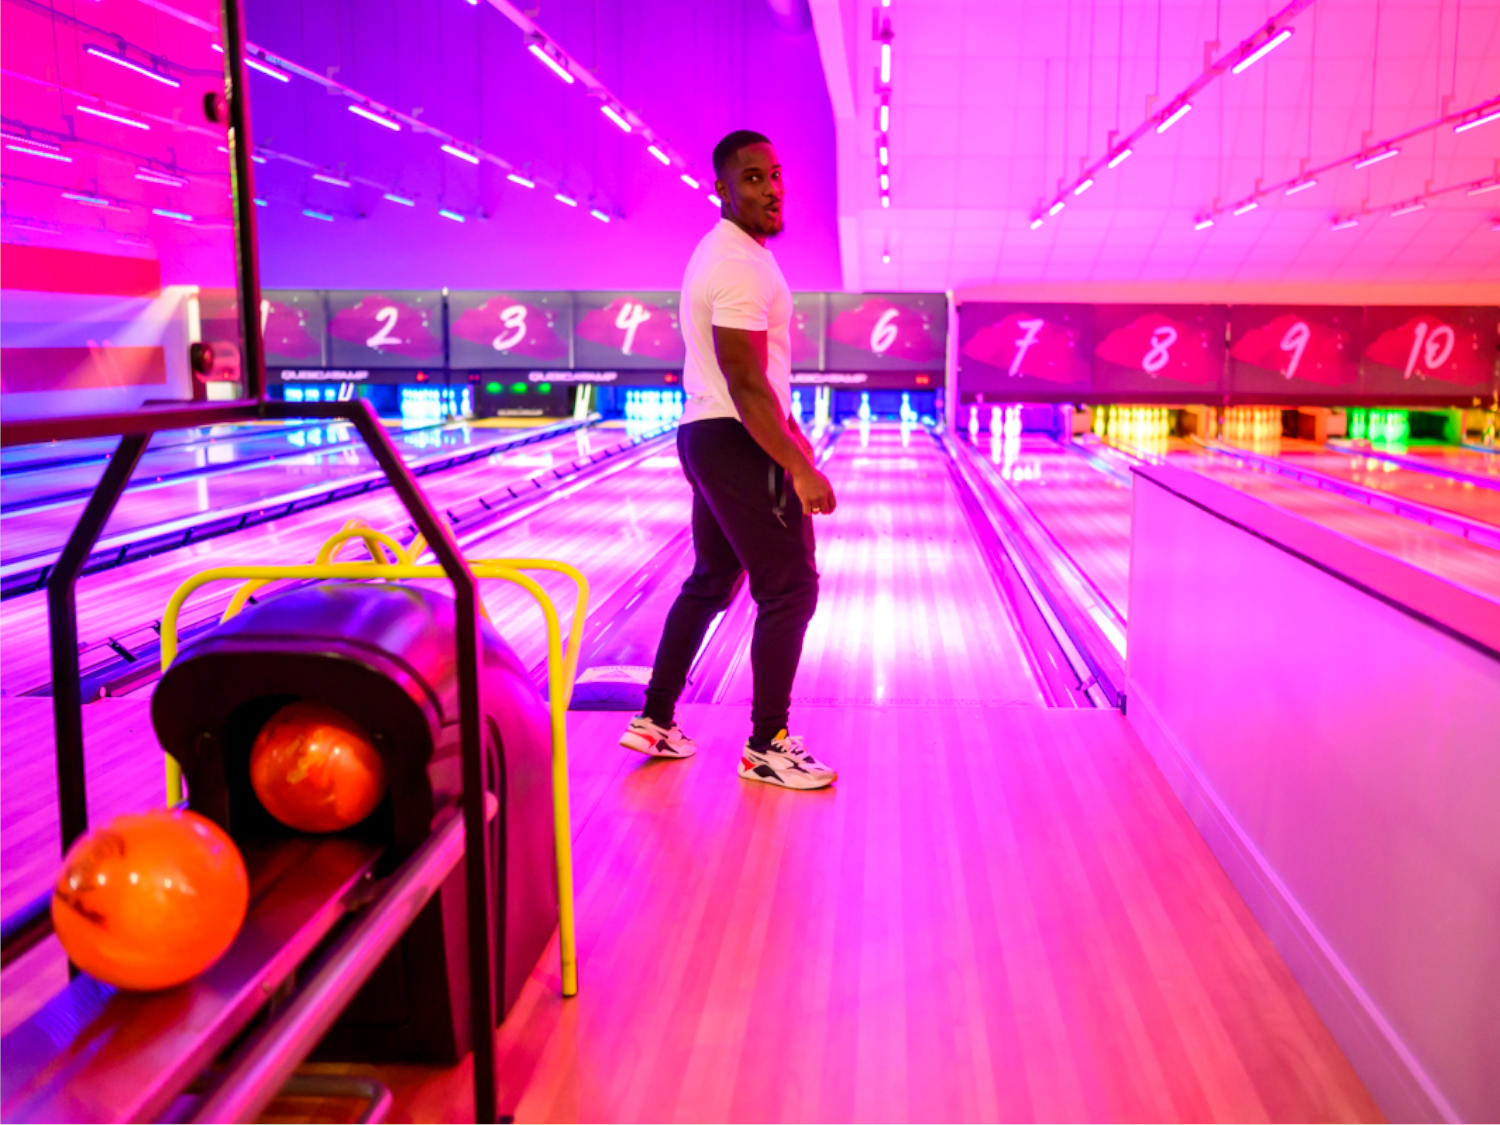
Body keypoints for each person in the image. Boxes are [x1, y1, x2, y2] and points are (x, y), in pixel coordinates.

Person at [619, 129, 838, 791]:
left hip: (707, 432)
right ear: (721, 187)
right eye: (752, 178)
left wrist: (796, 441)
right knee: (791, 585)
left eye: (775, 175)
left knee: (713, 578)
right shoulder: (740, 262)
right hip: (735, 436)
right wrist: (796, 465)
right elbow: (745, 380)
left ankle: (656, 717)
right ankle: (768, 741)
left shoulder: (723, 253)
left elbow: (757, 377)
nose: (770, 189)